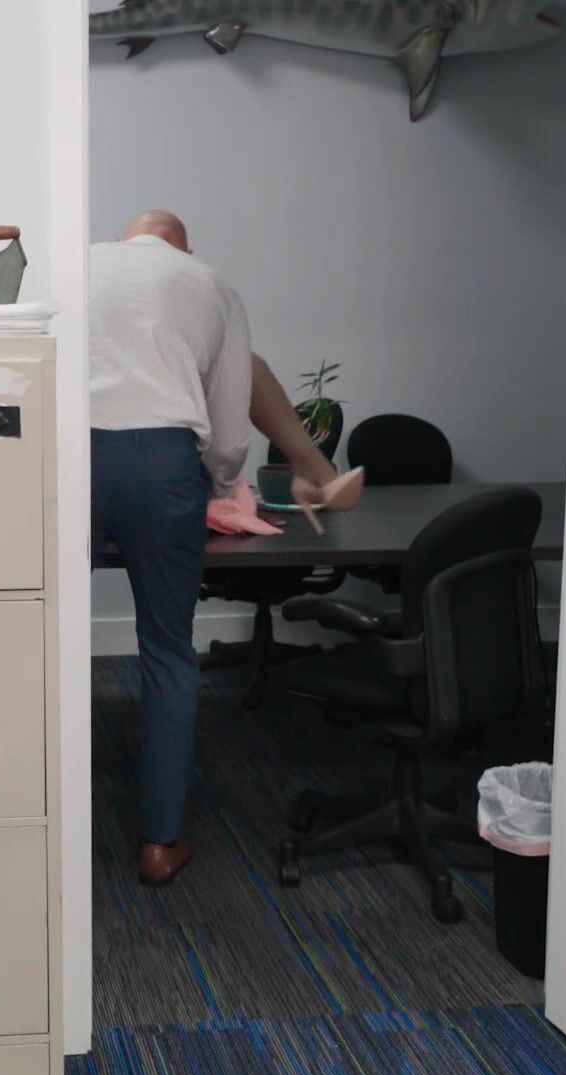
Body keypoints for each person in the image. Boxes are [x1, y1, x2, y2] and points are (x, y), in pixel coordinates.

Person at [89, 209, 359, 886]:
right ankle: (159, 844)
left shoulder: (79, 264)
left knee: (46, 646)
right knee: (167, 651)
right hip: (162, 461)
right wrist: (214, 486)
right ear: (185, 250)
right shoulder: (208, 283)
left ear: (124, 240)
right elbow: (232, 425)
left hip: (67, 456)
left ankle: (33, 820)